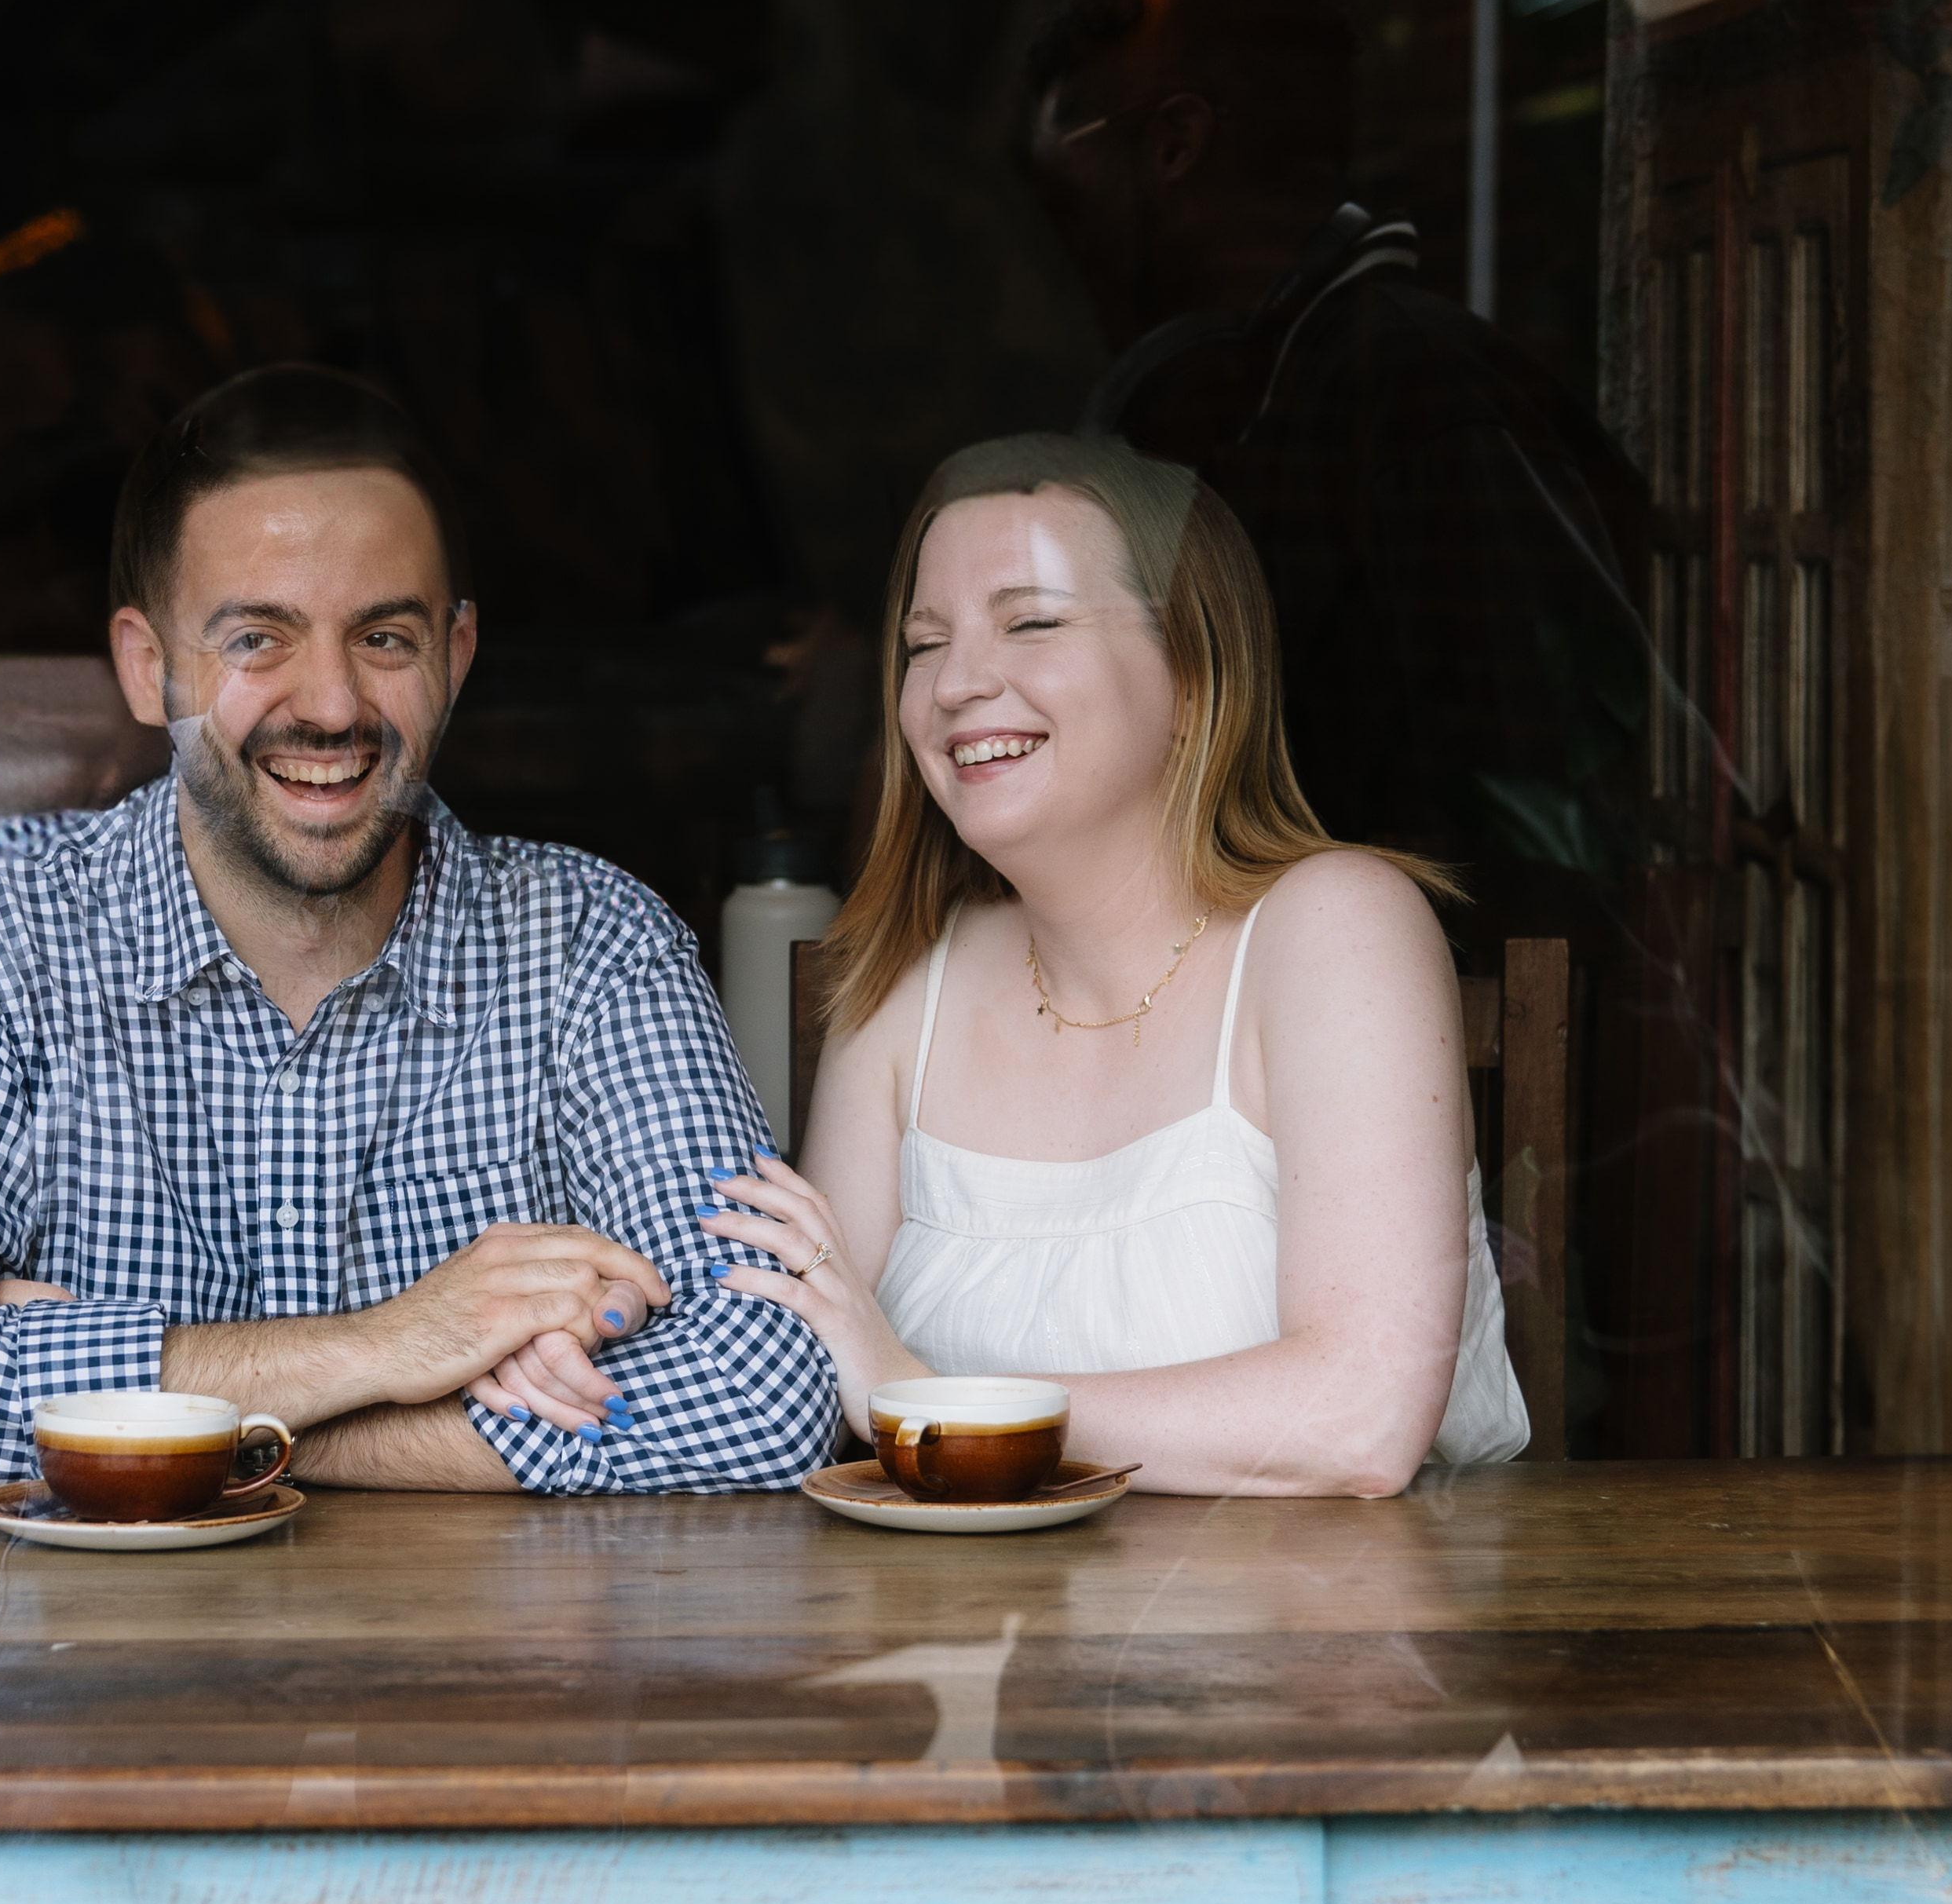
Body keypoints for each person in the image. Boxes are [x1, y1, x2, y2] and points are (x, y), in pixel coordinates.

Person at [0, 362, 831, 1502]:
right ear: (148, 667)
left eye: (382, 636)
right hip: (98, 1666)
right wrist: (386, 1347)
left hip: (484, 1674)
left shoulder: (592, 944)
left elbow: (764, 1395)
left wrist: (227, 1419)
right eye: (255, 640)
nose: (328, 703)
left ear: (454, 657)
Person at [596, 429, 1529, 1496]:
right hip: (957, 1639)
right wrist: (584, 1325)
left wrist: (929, 1403)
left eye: (1029, 622)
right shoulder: (905, 983)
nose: (954, 684)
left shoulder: (1336, 925)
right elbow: (799, 1376)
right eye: (923, 642)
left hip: (1316, 1638)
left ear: (1191, 671)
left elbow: (1355, 1421)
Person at [1023, 0, 1651, 934]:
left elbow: (1535, 820)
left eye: (1059, 180)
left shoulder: (1406, 398)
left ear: (1173, 144)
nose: (1051, 235)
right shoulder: (1273, 392)